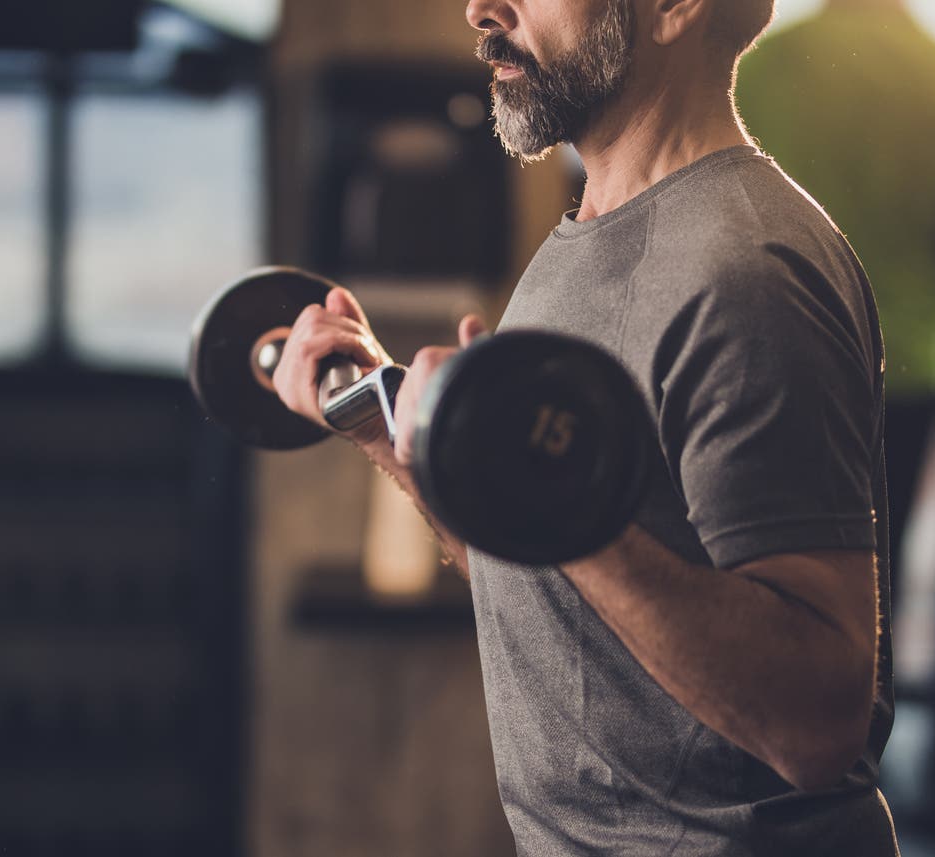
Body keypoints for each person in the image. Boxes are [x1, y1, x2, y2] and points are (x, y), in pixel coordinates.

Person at [271, 0, 897, 853]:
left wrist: (541, 494)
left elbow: (817, 722)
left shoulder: (748, 271)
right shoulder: (584, 237)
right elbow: (543, 574)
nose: (482, 9)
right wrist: (386, 432)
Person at [735, 0, 935, 615]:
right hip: (903, 382)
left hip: (761, 368)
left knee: (746, 587)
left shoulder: (757, 69)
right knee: (868, 600)